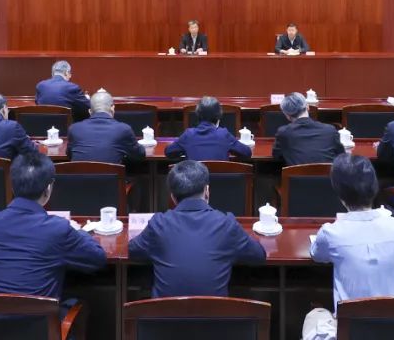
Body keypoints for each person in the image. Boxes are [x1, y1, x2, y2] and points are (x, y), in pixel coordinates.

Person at [304, 154, 394, 340]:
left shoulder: (331, 233)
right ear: (374, 188)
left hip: (352, 332)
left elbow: (317, 255)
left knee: (315, 315)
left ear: (340, 195)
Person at [0, 151, 107, 299]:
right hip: (36, 315)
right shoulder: (58, 229)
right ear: (48, 189)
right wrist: (79, 230)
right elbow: (98, 259)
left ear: (12, 186)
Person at [129, 160, 265, 296]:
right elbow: (259, 255)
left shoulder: (158, 224)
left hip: (165, 310)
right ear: (207, 191)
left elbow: (132, 250)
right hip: (215, 310)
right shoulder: (226, 224)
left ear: (173, 197)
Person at [67, 90, 146, 164]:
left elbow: (69, 155)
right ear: (112, 108)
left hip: (79, 174)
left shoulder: (74, 129)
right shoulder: (124, 129)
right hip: (111, 175)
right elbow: (140, 155)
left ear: (90, 111)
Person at [166, 96, 252, 161]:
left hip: (195, 180)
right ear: (218, 117)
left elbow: (169, 152)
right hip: (220, 180)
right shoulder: (224, 135)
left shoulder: (188, 135)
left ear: (197, 115)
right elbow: (247, 153)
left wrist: (184, 149)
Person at [271, 92, 344, 165]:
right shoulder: (330, 130)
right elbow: (341, 155)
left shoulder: (284, 132)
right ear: (308, 107)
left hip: (297, 172)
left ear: (287, 115)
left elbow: (277, 155)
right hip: (327, 172)